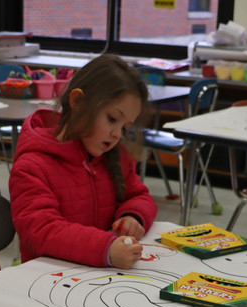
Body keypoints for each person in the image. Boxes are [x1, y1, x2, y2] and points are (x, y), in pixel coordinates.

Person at [9, 53, 157, 270]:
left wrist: (132, 216)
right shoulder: (32, 166)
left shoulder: (115, 158)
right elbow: (42, 230)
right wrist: (105, 250)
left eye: (124, 127)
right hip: (48, 280)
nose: (117, 134)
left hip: (97, 276)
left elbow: (139, 196)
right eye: (112, 119)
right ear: (78, 101)